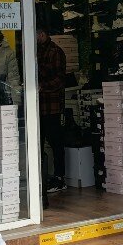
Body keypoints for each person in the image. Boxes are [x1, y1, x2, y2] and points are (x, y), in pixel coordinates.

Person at [37, 26, 68, 194]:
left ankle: (59, 177)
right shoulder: (38, 51)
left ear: (42, 34)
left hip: (52, 105)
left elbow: (60, 80)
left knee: (56, 143)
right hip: (39, 105)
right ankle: (42, 176)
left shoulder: (55, 51)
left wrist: (43, 87)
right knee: (39, 143)